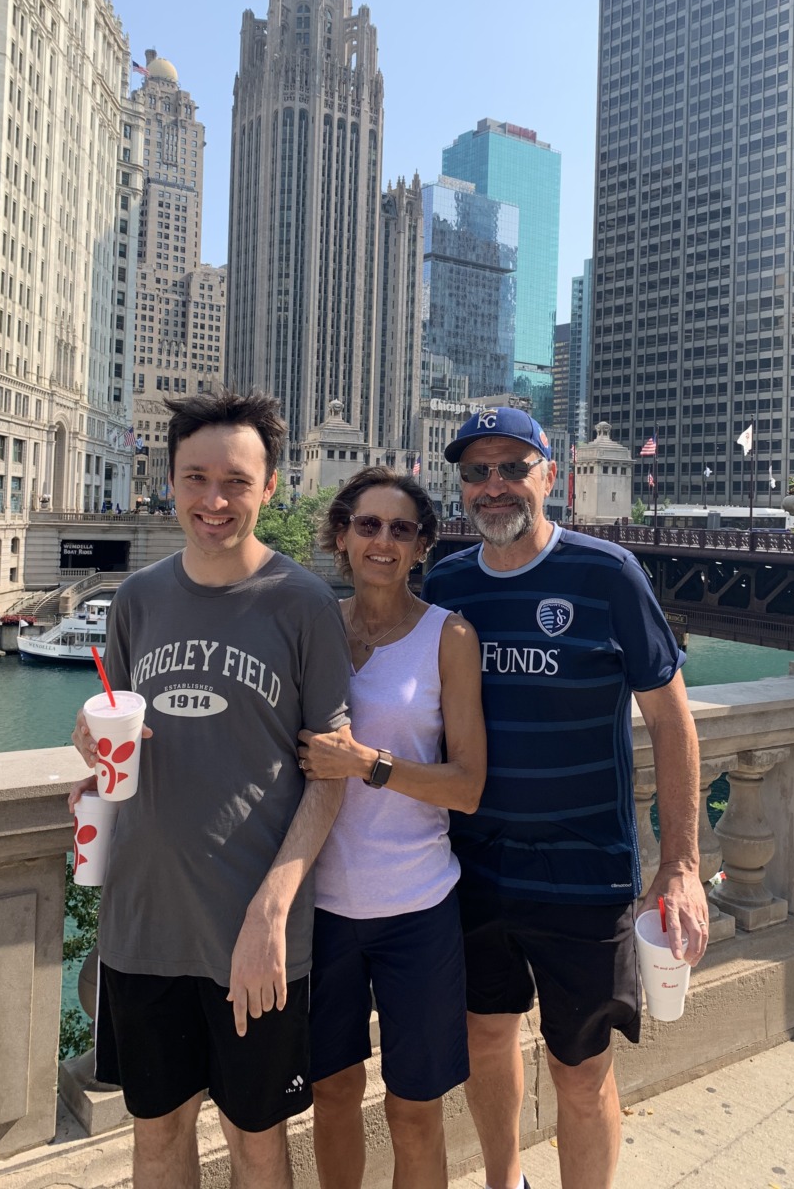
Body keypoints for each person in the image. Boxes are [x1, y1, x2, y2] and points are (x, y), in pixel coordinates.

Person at [68, 389, 351, 1189]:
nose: (213, 500)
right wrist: (90, 751)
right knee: (156, 1132)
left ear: (269, 488)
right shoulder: (138, 599)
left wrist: (272, 911)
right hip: (142, 924)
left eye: (235, 480)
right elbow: (111, 727)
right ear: (170, 480)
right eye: (195, 478)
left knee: (255, 1138)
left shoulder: (303, 605)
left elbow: (328, 781)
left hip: (256, 933)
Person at [422, 406, 709, 1189]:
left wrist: (681, 862)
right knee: (485, 1042)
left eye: (513, 466)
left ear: (551, 475)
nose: (494, 486)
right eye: (477, 471)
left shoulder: (608, 574)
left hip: (584, 878)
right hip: (473, 869)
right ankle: (502, 1181)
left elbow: (672, 722)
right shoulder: (445, 585)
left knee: (580, 1071)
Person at [297, 467, 486, 1189]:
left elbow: (468, 786)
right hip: (321, 911)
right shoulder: (311, 623)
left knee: (414, 1108)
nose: (382, 541)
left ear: (420, 547)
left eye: (400, 529)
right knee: (331, 1095)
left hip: (417, 907)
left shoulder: (450, 637)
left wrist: (367, 764)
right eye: (367, 525)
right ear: (341, 537)